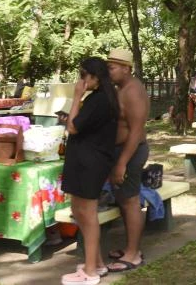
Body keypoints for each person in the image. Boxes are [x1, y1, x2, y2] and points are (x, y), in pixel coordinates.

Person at [61, 57, 119, 285]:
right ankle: (97, 263)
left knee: (88, 214)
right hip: (84, 161)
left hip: (90, 163)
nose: (81, 80)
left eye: (84, 75)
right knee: (78, 209)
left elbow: (73, 127)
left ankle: (91, 271)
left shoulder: (100, 100)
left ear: (96, 77)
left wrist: (76, 97)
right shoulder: (99, 98)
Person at [101, 48, 150, 274]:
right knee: (123, 199)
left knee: (130, 202)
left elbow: (136, 131)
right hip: (120, 152)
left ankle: (133, 254)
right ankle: (130, 247)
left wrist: (121, 162)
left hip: (130, 152)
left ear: (125, 68)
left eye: (111, 67)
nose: (107, 71)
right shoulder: (120, 89)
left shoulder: (133, 91)